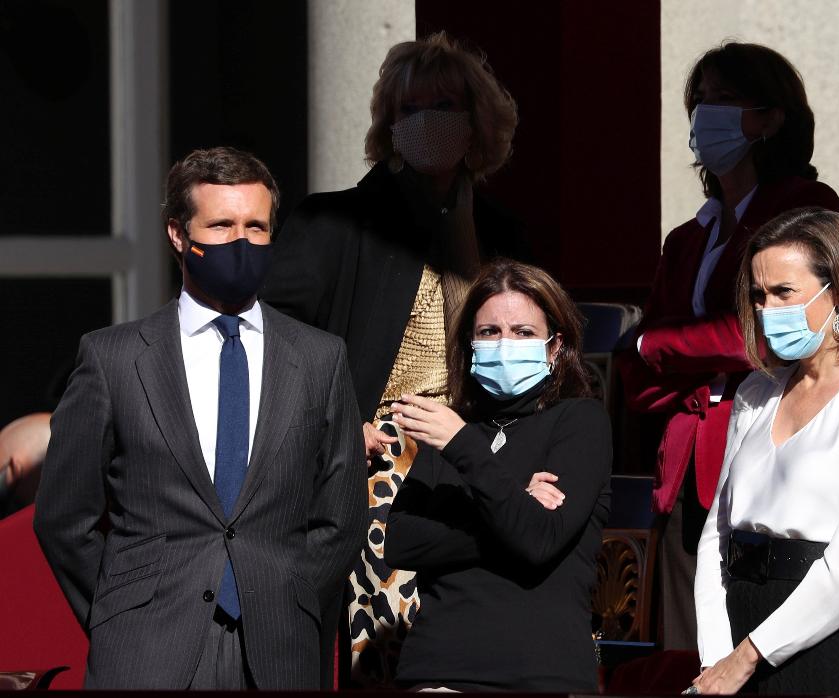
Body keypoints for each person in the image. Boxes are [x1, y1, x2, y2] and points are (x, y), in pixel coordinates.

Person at [33, 147, 366, 689]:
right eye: (221, 224)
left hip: (278, 650)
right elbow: (64, 515)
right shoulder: (112, 358)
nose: (242, 240)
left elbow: (342, 513)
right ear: (177, 234)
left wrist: (288, 594)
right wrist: (122, 610)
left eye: (256, 226)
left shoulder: (320, 358)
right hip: (146, 651)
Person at [260, 32, 526, 686]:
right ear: (387, 123)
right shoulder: (336, 225)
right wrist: (331, 426)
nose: (428, 121)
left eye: (445, 105)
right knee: (397, 643)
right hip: (383, 455)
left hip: (482, 455)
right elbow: (267, 339)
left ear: (477, 122)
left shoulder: (502, 234)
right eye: (412, 108)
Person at [619, 41, 839, 651]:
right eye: (699, 102)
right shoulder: (688, 238)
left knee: (754, 642)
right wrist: (668, 355)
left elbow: (763, 335)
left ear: (771, 117)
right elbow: (636, 374)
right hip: (687, 463)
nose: (704, 115)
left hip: (767, 451)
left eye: (724, 100)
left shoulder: (803, 207)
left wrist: (662, 345)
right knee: (685, 648)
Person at [692, 208, 839, 695]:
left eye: (784, 292)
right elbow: (715, 537)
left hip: (827, 639)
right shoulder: (755, 395)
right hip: (736, 632)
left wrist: (748, 656)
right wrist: (718, 654)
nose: (766, 310)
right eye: (759, 296)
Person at [383, 259, 611, 691]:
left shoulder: (581, 421)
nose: (505, 344)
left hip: (539, 673)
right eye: (489, 332)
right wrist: (513, 505)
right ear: (470, 343)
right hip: (438, 670)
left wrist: (465, 449)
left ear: (554, 345)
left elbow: (537, 541)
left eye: (523, 332)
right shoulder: (454, 426)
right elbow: (400, 542)